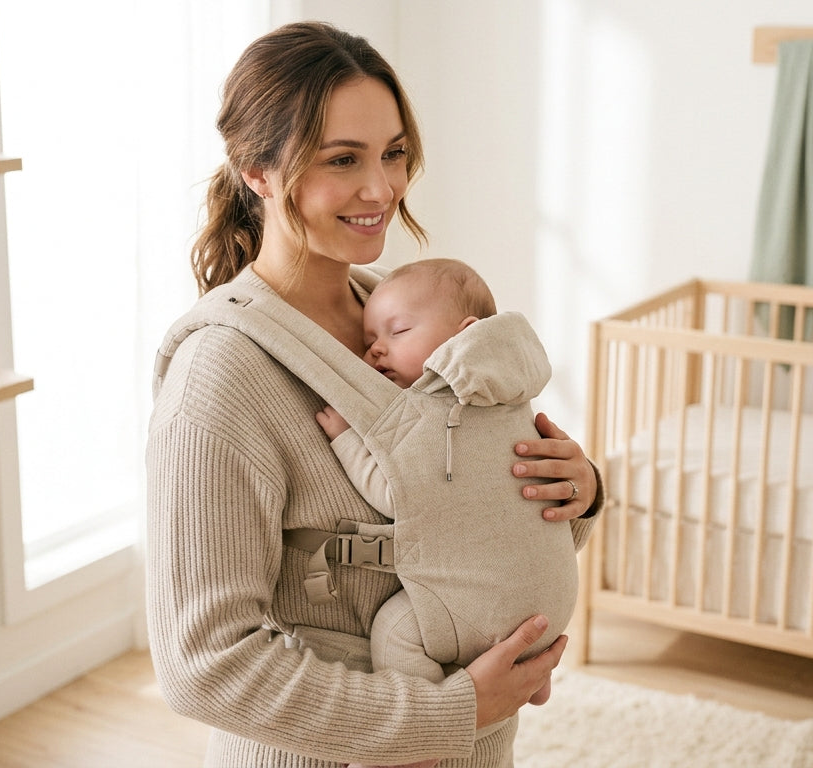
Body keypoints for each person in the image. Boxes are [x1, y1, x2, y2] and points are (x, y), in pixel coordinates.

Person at [147, 21, 602, 768]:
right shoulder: (219, 378)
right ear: (256, 170)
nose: (381, 188)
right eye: (342, 160)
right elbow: (206, 665)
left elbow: (455, 524)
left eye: (393, 154)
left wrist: (571, 495)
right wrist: (448, 710)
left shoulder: (395, 322)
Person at [314, 258, 583, 768]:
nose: (375, 348)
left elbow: (398, 496)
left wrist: (347, 437)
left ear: (463, 337)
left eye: (398, 331)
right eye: (372, 335)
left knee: (395, 630)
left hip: (491, 610)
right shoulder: (514, 396)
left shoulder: (436, 414)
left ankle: (417, 746)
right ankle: (528, 666)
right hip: (551, 604)